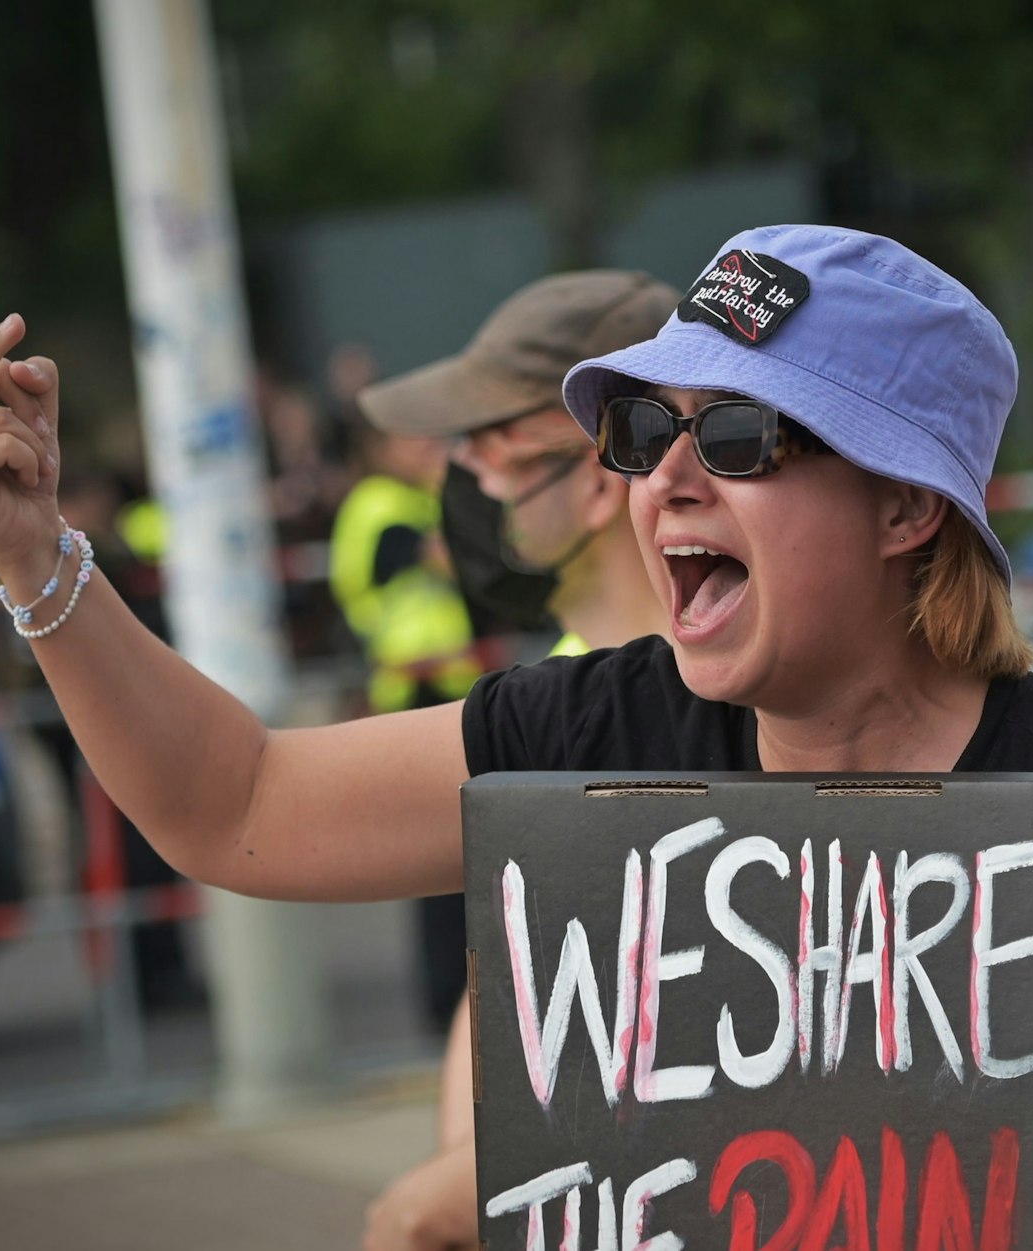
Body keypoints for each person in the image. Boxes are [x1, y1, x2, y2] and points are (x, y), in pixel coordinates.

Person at [0, 225, 1033, 1251]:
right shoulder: (591, 726)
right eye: (642, 428)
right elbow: (237, 804)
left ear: (904, 504)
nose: (663, 477)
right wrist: (38, 560)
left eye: (738, 437)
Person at [351, 270, 676, 1251]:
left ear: (591, 470)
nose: (465, 472)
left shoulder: (703, 706)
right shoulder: (557, 696)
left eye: (490, 438)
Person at [329, 425, 480, 1030]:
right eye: (416, 441)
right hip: (413, 690)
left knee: (457, 861)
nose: (430, 449)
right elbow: (437, 557)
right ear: (378, 448)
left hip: (447, 686)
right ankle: (445, 1003)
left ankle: (451, 999)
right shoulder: (378, 505)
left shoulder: (410, 502)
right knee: (441, 862)